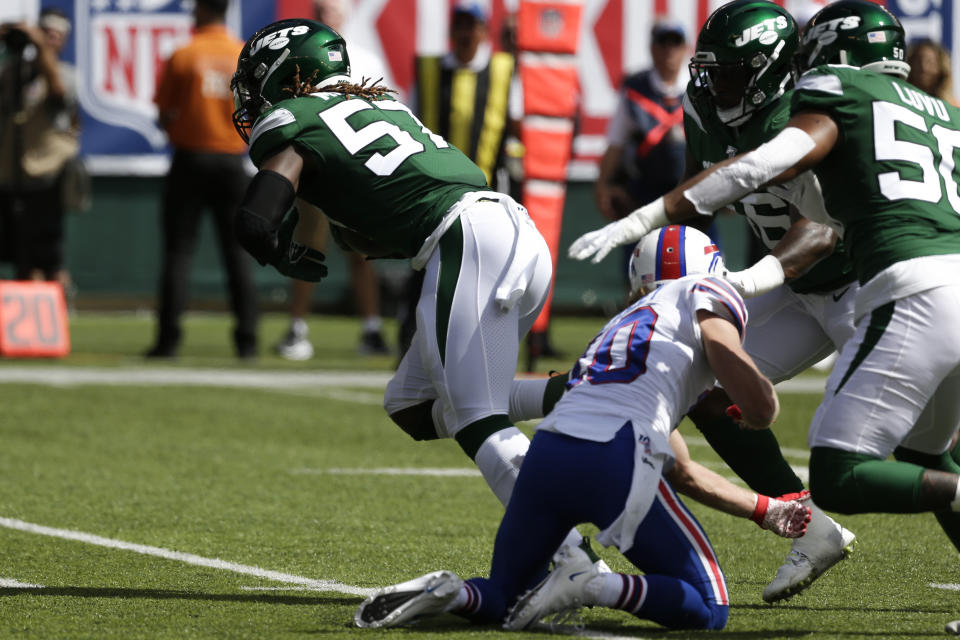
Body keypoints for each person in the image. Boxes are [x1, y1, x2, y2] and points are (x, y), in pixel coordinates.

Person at [569, 0, 960, 572]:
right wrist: (664, 279)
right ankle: (810, 525)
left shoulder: (816, 107)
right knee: (705, 382)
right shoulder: (704, 107)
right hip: (807, 292)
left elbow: (822, 227)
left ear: (771, 71)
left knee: (923, 443)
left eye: (728, 71)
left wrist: (747, 278)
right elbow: (700, 195)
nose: (711, 82)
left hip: (863, 282)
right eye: (709, 68)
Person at [354, 226, 811, 631]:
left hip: (549, 454)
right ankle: (594, 586)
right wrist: (760, 406)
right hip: (617, 455)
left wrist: (764, 510)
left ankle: (453, 593)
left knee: (504, 595)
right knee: (710, 608)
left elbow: (683, 471)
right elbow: (722, 346)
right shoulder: (705, 291)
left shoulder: (618, 328)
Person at [229, 19, 563, 537]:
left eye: (256, 82)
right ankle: (581, 389)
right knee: (410, 405)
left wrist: (276, 247)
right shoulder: (383, 104)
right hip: (510, 230)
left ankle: (568, 554)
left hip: (467, 237)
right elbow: (381, 226)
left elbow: (255, 218)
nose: (253, 100)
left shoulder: (296, 118)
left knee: (477, 417)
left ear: (287, 73)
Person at [397, 0, 518, 359]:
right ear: (452, 31)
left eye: (474, 25)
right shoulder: (430, 70)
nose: (467, 33)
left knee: (489, 274)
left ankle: (482, 347)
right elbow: (408, 124)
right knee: (424, 269)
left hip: (488, 192)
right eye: (461, 25)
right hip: (436, 192)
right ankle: (410, 343)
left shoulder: (504, 70)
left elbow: (520, 126)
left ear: (484, 31)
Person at [272, 0, 390, 361]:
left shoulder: (366, 59)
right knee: (309, 245)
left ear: (346, 15)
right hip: (317, 165)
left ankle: (372, 328)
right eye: (321, 11)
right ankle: (297, 329)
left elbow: (388, 111)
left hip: (357, 168)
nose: (327, 18)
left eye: (333, 11)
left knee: (362, 250)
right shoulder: (300, 59)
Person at [146, 0, 258, 359]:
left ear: (203, 11)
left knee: (178, 251)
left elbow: (163, 113)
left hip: (190, 158)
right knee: (237, 253)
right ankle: (247, 341)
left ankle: (168, 341)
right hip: (231, 161)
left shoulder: (185, 55)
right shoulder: (243, 55)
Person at [0, 8, 79, 291]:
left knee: (49, 255)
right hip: (13, 174)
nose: (49, 39)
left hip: (48, 177)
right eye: (45, 33)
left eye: (56, 36)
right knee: (19, 254)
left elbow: (57, 93)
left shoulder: (67, 75)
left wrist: (41, 47)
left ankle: (57, 312)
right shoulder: (12, 72)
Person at [594, 20, 687, 225]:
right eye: (663, 42)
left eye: (676, 42)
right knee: (640, 254)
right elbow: (616, 143)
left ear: (685, 48)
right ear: (653, 48)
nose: (669, 49)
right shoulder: (635, 90)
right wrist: (603, 186)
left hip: (689, 192)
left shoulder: (699, 87)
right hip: (644, 194)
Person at [906, 38, 958, 107]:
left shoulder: (952, 108)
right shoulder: (900, 98)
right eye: (918, 62)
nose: (924, 68)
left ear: (941, 68)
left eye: (930, 62)